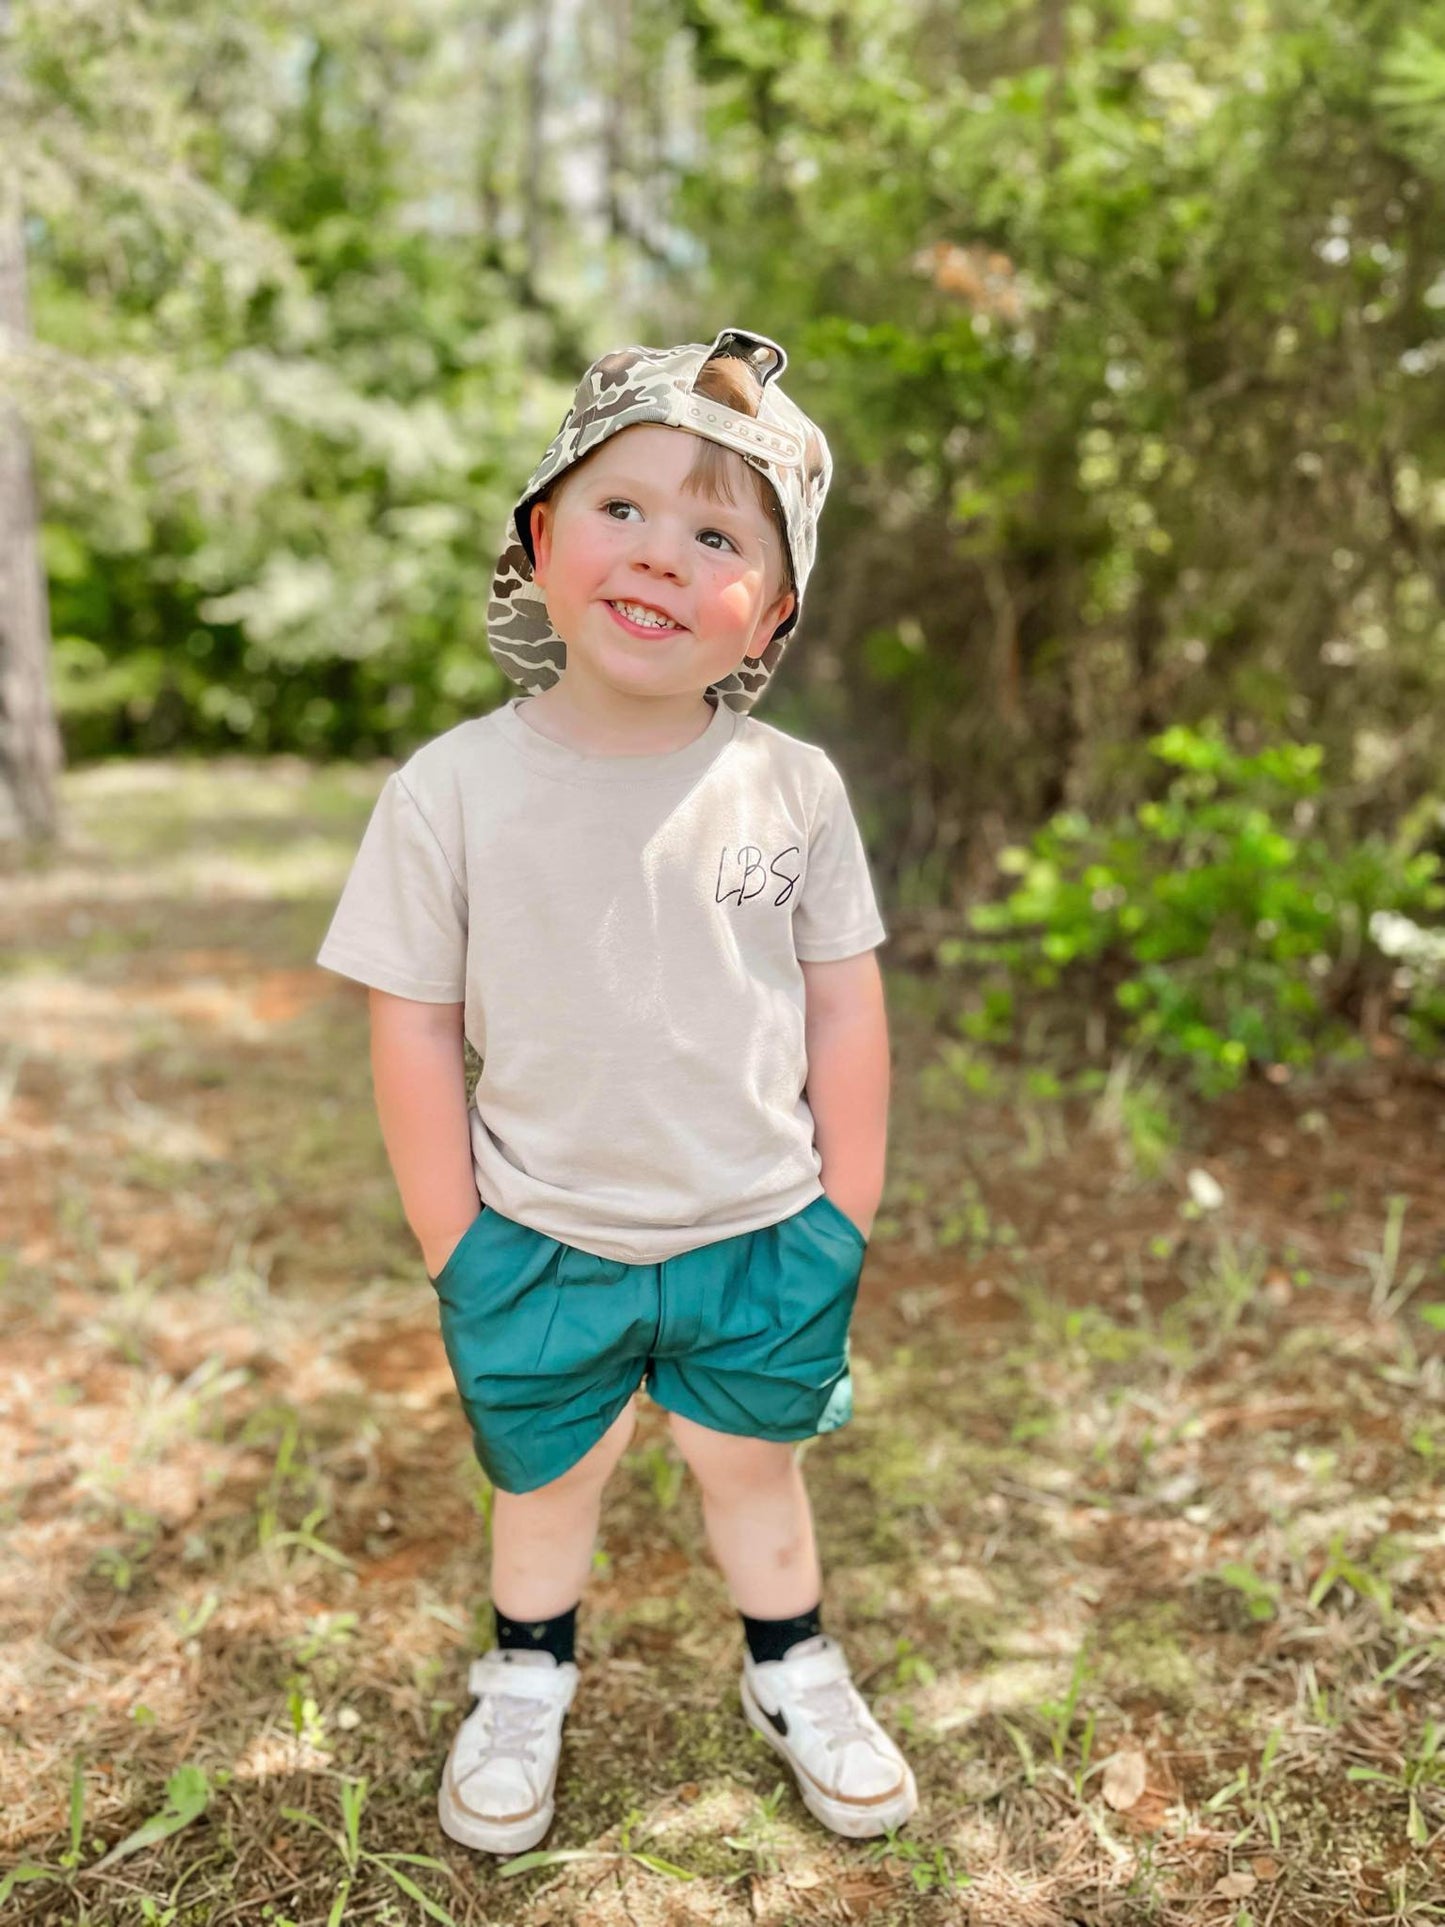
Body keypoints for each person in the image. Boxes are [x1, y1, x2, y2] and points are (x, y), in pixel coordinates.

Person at [315, 325, 916, 1856]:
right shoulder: (450, 788)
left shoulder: (790, 786)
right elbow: (410, 1022)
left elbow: (843, 996)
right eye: (623, 508)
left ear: (769, 610)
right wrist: (460, 1241)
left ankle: (794, 1670)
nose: (661, 556)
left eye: (717, 533)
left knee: (749, 1471)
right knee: (552, 1478)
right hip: (539, 1230)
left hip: (759, 1226)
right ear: (539, 534)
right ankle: (525, 1678)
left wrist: (842, 1210)